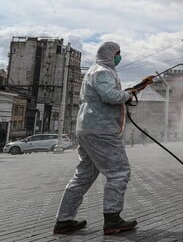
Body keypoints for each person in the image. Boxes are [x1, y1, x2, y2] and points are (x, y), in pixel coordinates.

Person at [54, 42, 153, 235]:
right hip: (101, 131)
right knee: (119, 171)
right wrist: (127, 95)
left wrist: (137, 88)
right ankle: (112, 219)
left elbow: (111, 93)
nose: (119, 56)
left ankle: (64, 220)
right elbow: (109, 95)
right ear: (109, 54)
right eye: (117, 53)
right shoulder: (102, 71)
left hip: (89, 129)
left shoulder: (98, 70)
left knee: (83, 176)